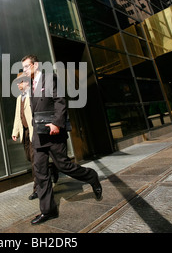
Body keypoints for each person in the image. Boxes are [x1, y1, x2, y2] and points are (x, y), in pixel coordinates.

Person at [21, 54, 103, 225]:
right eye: (24, 68)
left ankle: (91, 176)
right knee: (41, 173)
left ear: (35, 65)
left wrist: (57, 123)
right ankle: (48, 210)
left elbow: (60, 101)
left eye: (27, 67)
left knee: (64, 165)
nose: (25, 70)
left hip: (52, 133)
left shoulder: (50, 78)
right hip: (38, 136)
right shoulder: (31, 86)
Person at [11, 72, 38, 200]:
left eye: (19, 81)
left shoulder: (33, 95)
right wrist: (15, 132)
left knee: (34, 161)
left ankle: (37, 189)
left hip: (34, 131)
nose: (17, 84)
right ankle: (51, 168)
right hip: (24, 132)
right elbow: (18, 116)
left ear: (26, 82)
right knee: (29, 157)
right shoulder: (19, 98)